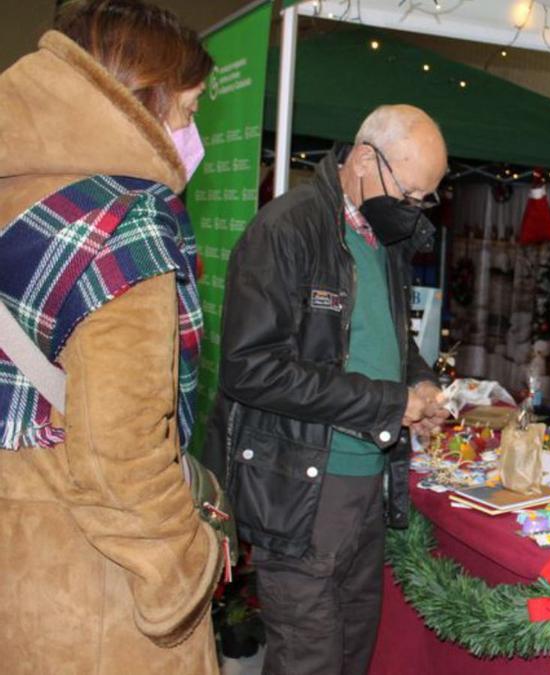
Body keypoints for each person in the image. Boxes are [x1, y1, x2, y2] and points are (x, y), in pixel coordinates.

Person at [0, 1, 219, 672]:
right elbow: (121, 455)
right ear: (143, 101)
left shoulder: (17, 188)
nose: (191, 130)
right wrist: (186, 565)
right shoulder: (125, 222)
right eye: (186, 111)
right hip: (92, 586)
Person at [206, 104, 450, 674]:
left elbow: (392, 339)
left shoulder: (382, 239)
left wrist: (419, 383)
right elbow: (251, 368)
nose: (413, 210)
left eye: (424, 199)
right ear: (365, 159)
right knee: (309, 659)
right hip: (299, 485)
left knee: (351, 649)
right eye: (409, 194)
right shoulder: (286, 229)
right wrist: (390, 402)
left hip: (366, 483)